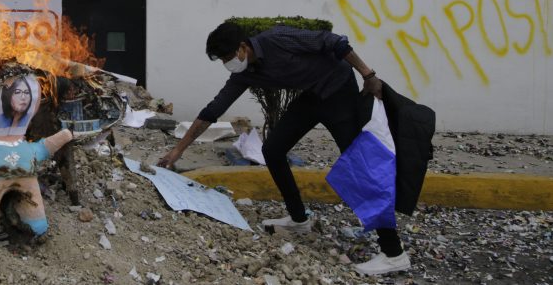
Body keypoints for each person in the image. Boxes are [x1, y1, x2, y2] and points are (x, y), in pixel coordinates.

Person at [157, 21, 411, 276]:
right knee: (273, 150)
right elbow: (213, 109)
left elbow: (336, 42)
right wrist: (178, 150)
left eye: (227, 56)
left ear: (243, 47)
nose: (227, 63)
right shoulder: (245, 72)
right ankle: (299, 219)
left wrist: (369, 75)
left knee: (358, 166)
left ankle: (394, 253)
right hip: (312, 96)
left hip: (338, 91)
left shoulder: (277, 39)